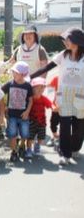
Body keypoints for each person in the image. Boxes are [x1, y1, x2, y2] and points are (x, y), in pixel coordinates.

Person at [30, 27, 84, 165]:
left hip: (81, 95)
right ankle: (65, 154)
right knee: (64, 125)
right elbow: (46, 68)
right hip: (64, 94)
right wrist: (30, 77)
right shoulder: (63, 55)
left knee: (79, 127)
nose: (65, 42)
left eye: (68, 39)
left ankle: (75, 147)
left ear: (76, 41)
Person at [1, 61, 33, 162]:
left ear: (23, 74)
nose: (13, 74)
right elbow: (0, 93)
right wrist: (4, 106)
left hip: (24, 115)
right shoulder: (9, 84)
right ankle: (14, 151)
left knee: (24, 133)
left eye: (16, 72)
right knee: (13, 134)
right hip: (12, 115)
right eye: (13, 72)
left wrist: (27, 111)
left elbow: (31, 100)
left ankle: (22, 145)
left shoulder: (27, 86)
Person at [27, 78, 53, 157]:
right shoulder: (30, 98)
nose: (40, 89)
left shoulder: (43, 98)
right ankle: (28, 149)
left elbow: (50, 104)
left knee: (41, 136)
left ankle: (37, 146)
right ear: (32, 88)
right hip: (31, 121)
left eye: (42, 87)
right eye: (37, 87)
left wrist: (54, 108)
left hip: (42, 122)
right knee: (30, 136)